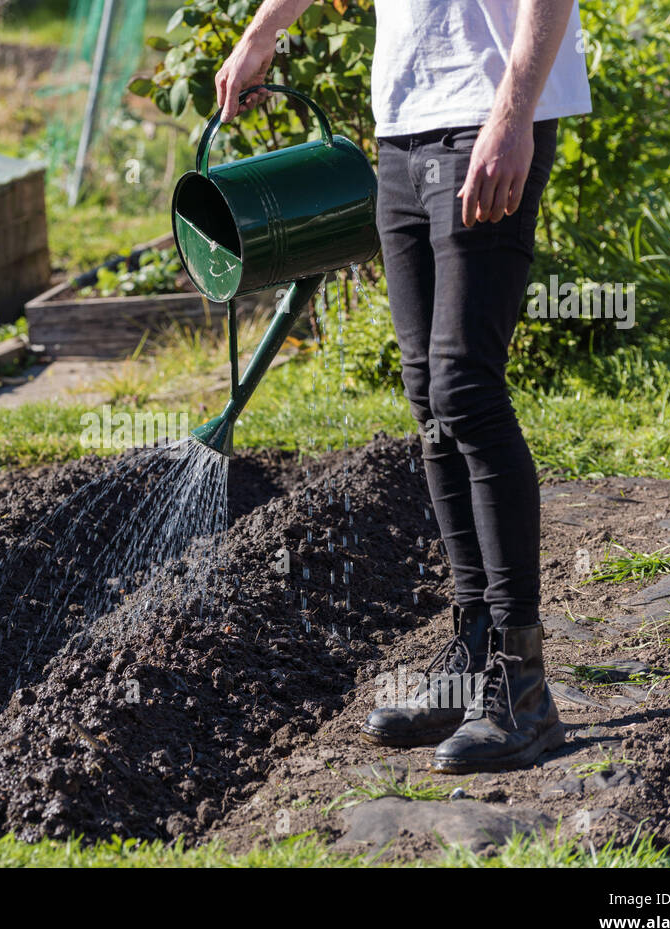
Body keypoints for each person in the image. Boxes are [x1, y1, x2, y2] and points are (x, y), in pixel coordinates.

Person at [215, 1, 592, 772]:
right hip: (404, 121)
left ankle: (524, 687)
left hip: (485, 114)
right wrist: (262, 31)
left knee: (464, 387)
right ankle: (472, 654)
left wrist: (514, 115)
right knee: (428, 397)